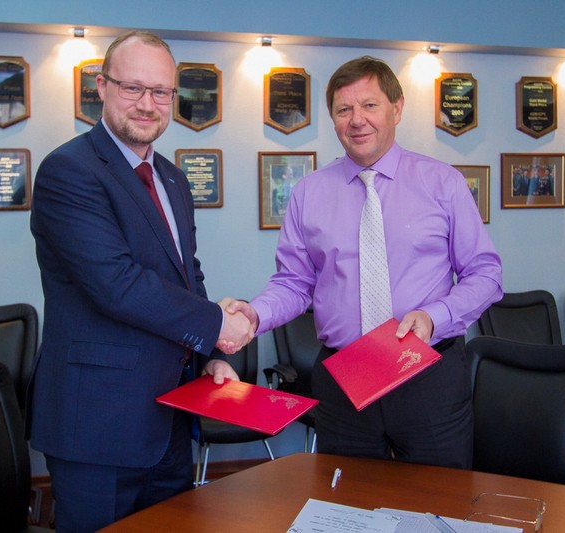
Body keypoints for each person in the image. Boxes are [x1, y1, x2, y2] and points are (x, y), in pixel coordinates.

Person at [229, 56, 502, 470]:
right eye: (344, 109)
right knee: (346, 500)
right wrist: (255, 313)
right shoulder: (309, 193)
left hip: (427, 372)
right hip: (344, 379)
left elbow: (486, 274)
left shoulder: (442, 183)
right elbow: (294, 283)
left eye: (369, 105)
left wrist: (436, 316)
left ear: (397, 108)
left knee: (439, 499)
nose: (357, 120)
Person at [28, 31, 252, 532]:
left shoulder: (173, 178)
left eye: (161, 91)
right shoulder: (69, 171)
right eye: (133, 88)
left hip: (170, 417)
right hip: (97, 425)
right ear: (102, 87)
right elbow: (116, 283)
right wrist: (218, 324)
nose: (147, 104)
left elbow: (187, 276)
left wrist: (210, 355)